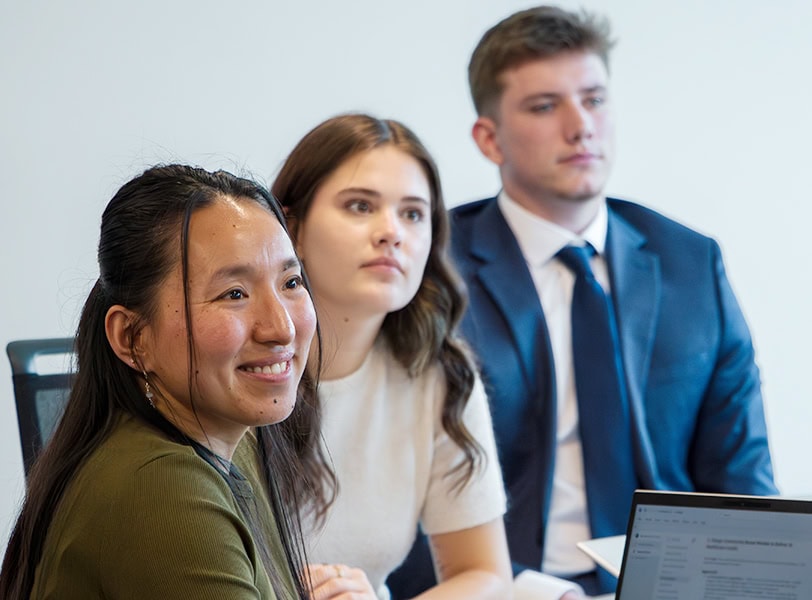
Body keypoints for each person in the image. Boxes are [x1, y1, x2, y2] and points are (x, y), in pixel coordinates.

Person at [390, 6, 777, 599]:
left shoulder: (691, 266)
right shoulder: (432, 268)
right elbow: (394, 488)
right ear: (489, 138)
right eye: (545, 106)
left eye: (594, 100)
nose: (581, 127)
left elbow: (742, 485)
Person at [0, 165, 318, 600]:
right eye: (234, 294)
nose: (281, 327)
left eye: (291, 282)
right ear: (133, 338)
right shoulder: (162, 491)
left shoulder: (231, 440)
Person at [267, 113, 513, 600]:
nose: (391, 232)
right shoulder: (233, 365)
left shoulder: (438, 372)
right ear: (289, 227)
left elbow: (485, 573)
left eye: (413, 214)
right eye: (360, 206)